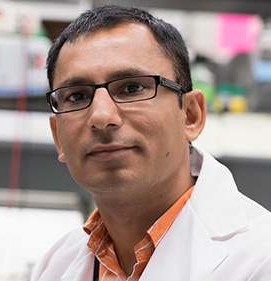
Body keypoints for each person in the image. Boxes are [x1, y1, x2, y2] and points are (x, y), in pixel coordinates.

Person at [31, 5, 271, 281]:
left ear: (190, 115)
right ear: (58, 137)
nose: (101, 116)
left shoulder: (260, 261)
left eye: (132, 88)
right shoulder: (56, 264)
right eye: (76, 96)